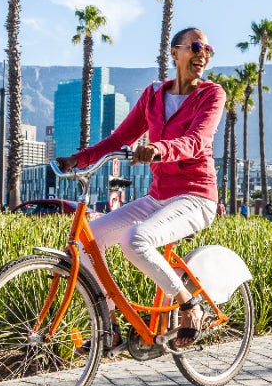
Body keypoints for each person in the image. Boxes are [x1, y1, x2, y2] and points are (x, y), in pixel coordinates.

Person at [56, 27, 224, 348]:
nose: (203, 54)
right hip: (159, 197)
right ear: (174, 53)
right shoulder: (153, 95)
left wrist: (160, 149)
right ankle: (109, 325)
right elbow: (119, 139)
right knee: (84, 242)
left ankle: (189, 305)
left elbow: (197, 141)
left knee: (135, 239)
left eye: (208, 49)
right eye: (196, 46)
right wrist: (76, 160)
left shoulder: (211, 95)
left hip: (196, 196)